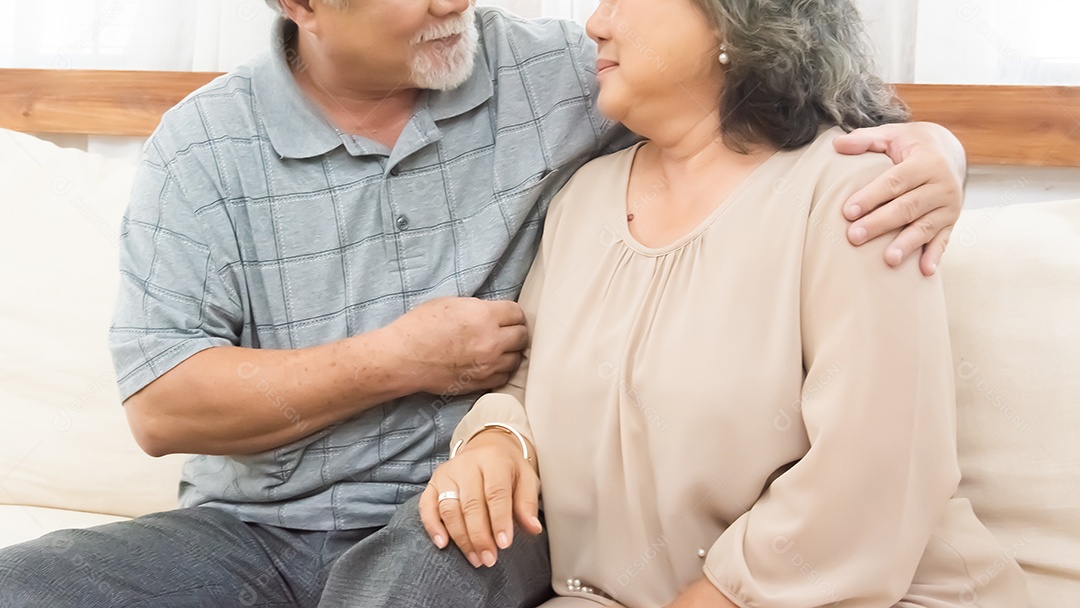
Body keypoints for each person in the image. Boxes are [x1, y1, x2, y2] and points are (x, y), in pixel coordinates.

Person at [0, 0, 971, 606]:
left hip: (467, 521)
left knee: (414, 582)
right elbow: (161, 406)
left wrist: (935, 148)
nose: (454, 1)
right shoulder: (203, 145)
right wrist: (412, 367)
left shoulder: (552, 80)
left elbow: (789, 79)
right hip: (252, 528)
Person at [416, 0, 1030, 606]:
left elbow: (878, 467)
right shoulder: (582, 200)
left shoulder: (857, 192)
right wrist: (498, 441)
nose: (595, 24)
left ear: (733, 18)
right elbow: (529, 385)